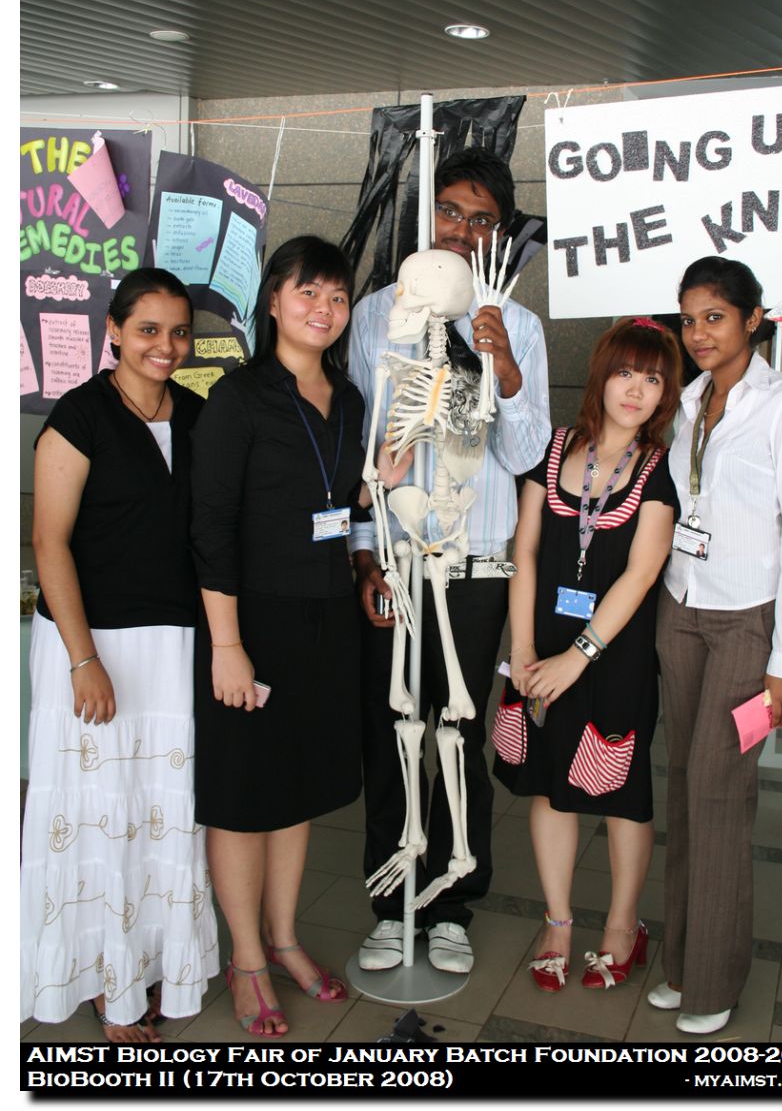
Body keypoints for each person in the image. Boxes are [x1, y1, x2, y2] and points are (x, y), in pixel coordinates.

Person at [190, 235, 406, 1035]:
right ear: (274, 300)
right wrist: (226, 645)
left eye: (337, 296)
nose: (324, 308)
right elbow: (210, 529)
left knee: (298, 790)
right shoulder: (238, 398)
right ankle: (247, 958)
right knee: (244, 795)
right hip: (252, 621)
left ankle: (283, 938)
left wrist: (374, 495)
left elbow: (336, 504)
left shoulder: (346, 398)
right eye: (307, 291)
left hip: (326, 618)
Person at [349, 147, 551, 974]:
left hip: (476, 565)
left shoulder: (517, 325)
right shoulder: (372, 316)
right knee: (391, 731)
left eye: (481, 219)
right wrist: (364, 556)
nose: (462, 229)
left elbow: (528, 453)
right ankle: (392, 903)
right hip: (396, 559)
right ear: (425, 214)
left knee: (458, 732)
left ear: (498, 233)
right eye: (449, 211)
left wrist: (502, 365)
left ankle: (453, 904)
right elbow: (358, 447)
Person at [20, 269, 218, 1042]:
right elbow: (49, 542)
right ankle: (107, 979)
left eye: (178, 332)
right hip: (93, 644)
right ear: (114, 330)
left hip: (174, 646)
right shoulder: (79, 416)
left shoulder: (197, 416)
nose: (165, 346)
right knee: (101, 816)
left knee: (163, 814)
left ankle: (157, 961)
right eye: (148, 330)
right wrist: (82, 659)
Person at [649, 256, 782, 1035]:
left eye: (714, 317)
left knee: (719, 795)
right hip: (681, 606)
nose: (698, 333)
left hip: (745, 619)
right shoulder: (686, 400)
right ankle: (682, 963)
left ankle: (713, 982)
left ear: (752, 320)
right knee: (685, 787)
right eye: (688, 319)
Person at [494, 317, 681, 992]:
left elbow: (641, 573)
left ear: (665, 394)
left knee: (623, 794)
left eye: (652, 379)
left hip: (614, 658)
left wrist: (579, 656)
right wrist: (522, 647)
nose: (636, 389)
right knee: (551, 786)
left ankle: (622, 927)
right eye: (626, 373)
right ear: (601, 375)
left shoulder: (658, 470)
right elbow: (524, 551)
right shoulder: (552, 449)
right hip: (540, 648)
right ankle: (558, 923)